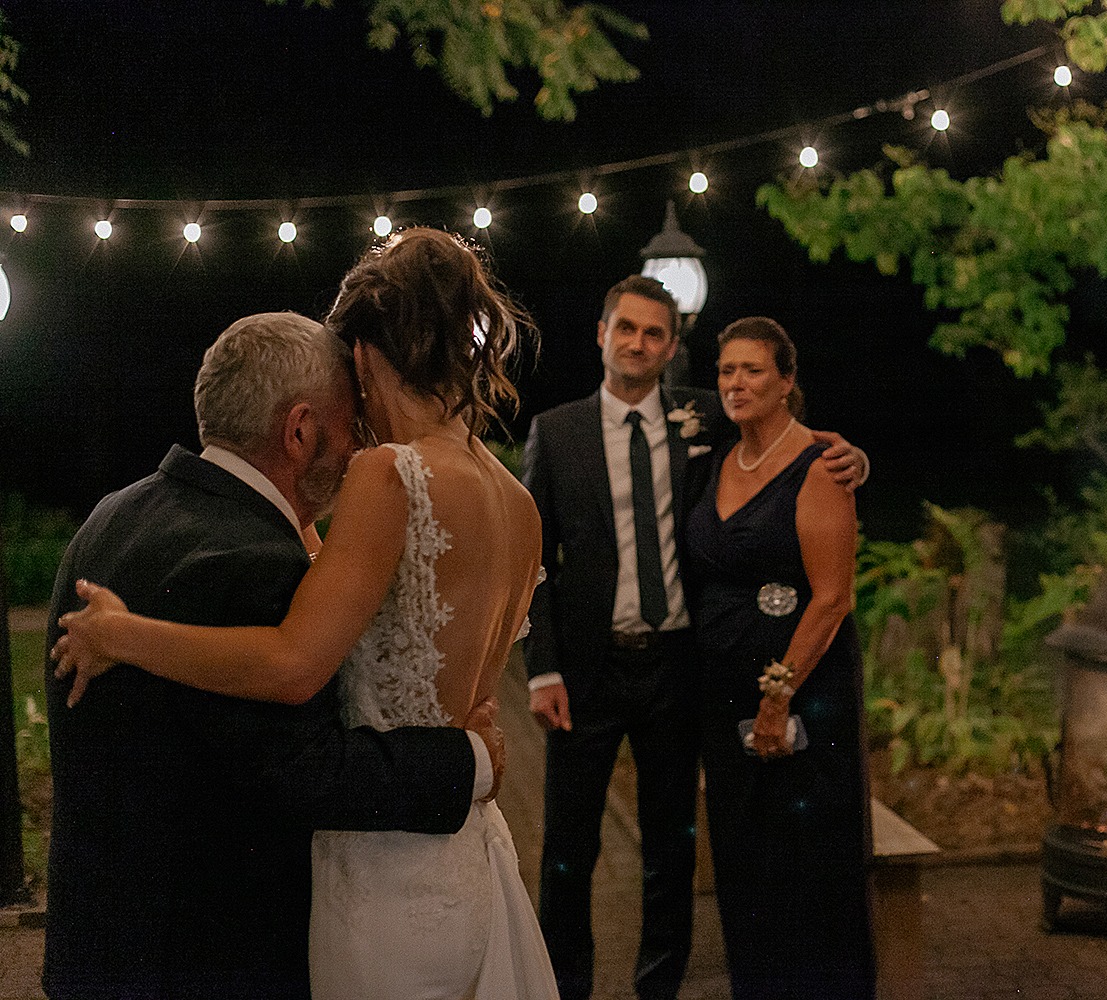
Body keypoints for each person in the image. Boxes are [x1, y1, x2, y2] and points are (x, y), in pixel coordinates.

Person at [52, 229, 558, 1000]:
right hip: (466, 858)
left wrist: (121, 634)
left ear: (362, 355)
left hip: (374, 880)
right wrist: (479, 758)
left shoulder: (386, 475)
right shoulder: (517, 505)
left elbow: (293, 662)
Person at [522, 276, 867, 1000]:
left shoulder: (704, 415)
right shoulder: (555, 433)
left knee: (671, 852)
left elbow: (796, 441)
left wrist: (853, 457)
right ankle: (565, 988)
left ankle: (659, 990)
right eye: (627, 329)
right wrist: (541, 669)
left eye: (654, 334)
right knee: (566, 854)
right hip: (586, 674)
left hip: (680, 673)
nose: (638, 344)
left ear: (671, 348)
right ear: (601, 333)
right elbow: (534, 562)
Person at [683, 316, 875, 1000]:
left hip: (802, 696)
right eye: (727, 370)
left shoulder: (821, 466)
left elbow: (831, 598)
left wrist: (778, 695)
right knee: (744, 861)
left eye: (753, 370)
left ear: (787, 381)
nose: (736, 382)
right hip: (722, 697)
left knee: (809, 862)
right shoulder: (713, 459)